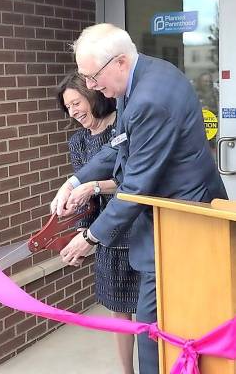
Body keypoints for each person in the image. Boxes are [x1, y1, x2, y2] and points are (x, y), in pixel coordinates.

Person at [51, 23, 228, 374]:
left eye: (91, 76)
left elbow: (135, 187)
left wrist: (90, 237)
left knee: (154, 330)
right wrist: (74, 180)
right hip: (167, 226)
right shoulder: (142, 77)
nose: (90, 86)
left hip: (183, 227)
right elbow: (119, 144)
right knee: (163, 327)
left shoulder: (149, 99)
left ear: (118, 62)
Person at [57, 71, 140, 374]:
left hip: (139, 227)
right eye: (67, 107)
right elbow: (86, 199)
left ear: (92, 95)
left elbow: (137, 183)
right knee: (120, 311)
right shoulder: (77, 141)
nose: (74, 111)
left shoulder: (126, 123)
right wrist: (82, 233)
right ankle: (126, 371)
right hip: (105, 235)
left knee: (152, 309)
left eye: (76, 102)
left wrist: (92, 186)